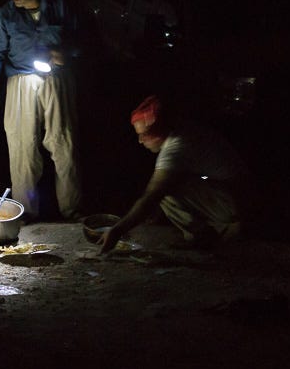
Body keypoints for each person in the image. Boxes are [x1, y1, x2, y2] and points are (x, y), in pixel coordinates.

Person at [0, 0, 82, 222]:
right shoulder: (5, 15)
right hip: (20, 80)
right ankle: (26, 213)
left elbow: (82, 40)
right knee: (22, 147)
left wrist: (67, 52)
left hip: (57, 79)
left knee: (64, 143)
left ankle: (72, 212)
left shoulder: (60, 7)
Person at [99, 95, 248, 253]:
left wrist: (117, 230)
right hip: (234, 191)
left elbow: (151, 197)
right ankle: (211, 233)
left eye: (144, 135)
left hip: (235, 199)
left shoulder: (176, 146)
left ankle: (207, 236)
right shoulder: (183, 128)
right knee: (167, 182)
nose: (140, 141)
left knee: (162, 188)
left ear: (161, 129)